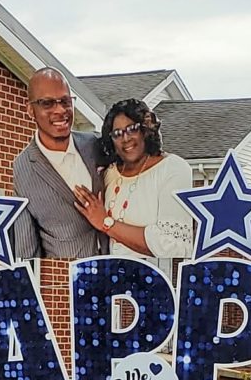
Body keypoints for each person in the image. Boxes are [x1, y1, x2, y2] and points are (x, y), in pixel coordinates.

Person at [73, 99, 197, 276]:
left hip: (156, 281)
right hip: (111, 281)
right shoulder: (110, 173)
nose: (126, 138)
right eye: (117, 133)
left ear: (146, 130)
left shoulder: (173, 168)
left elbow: (173, 246)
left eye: (132, 129)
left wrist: (106, 223)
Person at [8, 67, 107, 261]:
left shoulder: (96, 145)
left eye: (65, 101)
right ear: (31, 110)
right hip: (66, 284)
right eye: (47, 103)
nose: (60, 110)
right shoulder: (22, 170)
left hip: (120, 277)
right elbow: (27, 253)